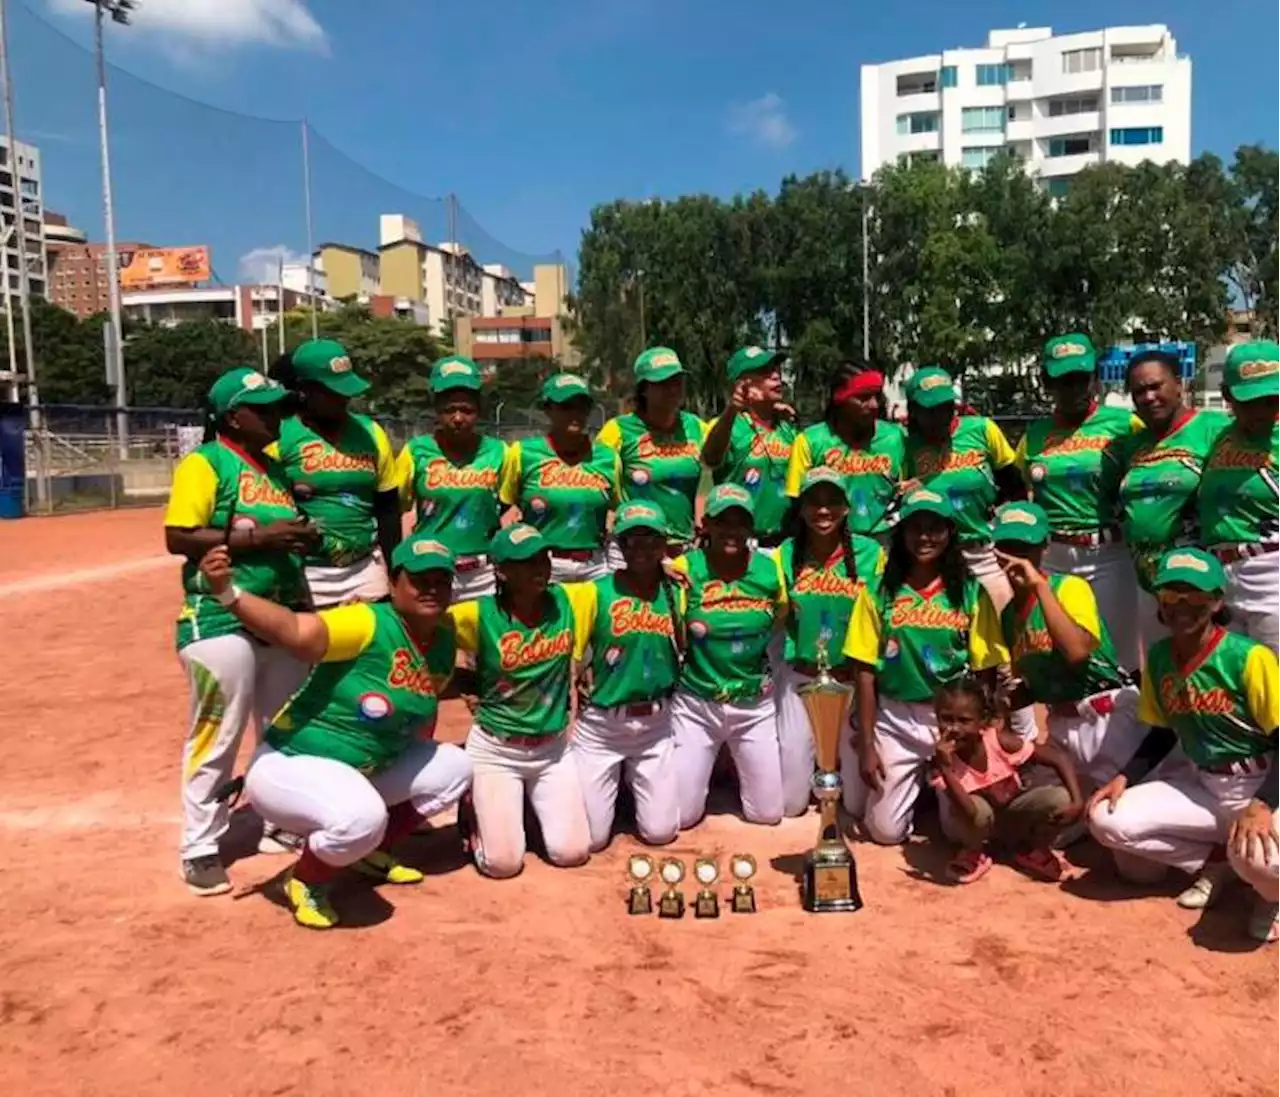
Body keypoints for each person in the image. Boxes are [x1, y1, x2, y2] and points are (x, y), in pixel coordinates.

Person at [196, 532, 474, 929]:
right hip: (293, 764)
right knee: (361, 818)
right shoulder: (366, 621)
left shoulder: (442, 637)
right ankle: (303, 879)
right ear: (393, 583)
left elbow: (426, 685)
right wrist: (227, 593)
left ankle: (365, 851)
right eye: (419, 579)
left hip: (362, 766)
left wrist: (488, 686)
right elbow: (294, 631)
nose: (431, 588)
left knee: (455, 767)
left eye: (441, 580)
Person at [163, 367, 317, 895]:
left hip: (277, 614)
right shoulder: (206, 463)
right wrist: (262, 539)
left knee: (284, 725)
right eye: (265, 407)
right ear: (233, 416)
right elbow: (178, 535)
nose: (276, 415)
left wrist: (298, 538)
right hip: (219, 614)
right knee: (219, 730)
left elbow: (279, 535)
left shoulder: (273, 470)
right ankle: (200, 845)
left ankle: (279, 819)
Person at [1088, 549, 1280, 944]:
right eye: (1170, 595)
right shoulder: (1159, 657)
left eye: (1194, 596)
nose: (1181, 606)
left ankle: (1270, 897)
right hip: (1203, 785)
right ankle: (1219, 863)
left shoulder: (1248, 657)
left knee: (1263, 864)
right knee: (1108, 822)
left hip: (1259, 784)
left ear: (1216, 601)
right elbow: (1163, 731)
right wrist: (1126, 776)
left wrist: (1262, 804)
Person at [841, 487, 1008, 845]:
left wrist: (983, 728)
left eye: (935, 527)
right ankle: (919, 789)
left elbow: (984, 667)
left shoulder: (968, 590)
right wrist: (868, 742)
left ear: (950, 533)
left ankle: (933, 792)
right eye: (915, 527)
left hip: (950, 722)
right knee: (885, 833)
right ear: (900, 533)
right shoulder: (878, 590)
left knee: (958, 832)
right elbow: (865, 671)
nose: (924, 537)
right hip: (896, 717)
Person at [452, 523, 593, 878]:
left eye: (542, 558)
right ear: (501, 570)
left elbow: (621, 585)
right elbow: (422, 626)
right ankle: (474, 811)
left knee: (572, 853)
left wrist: (668, 571)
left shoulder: (569, 599)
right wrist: (462, 682)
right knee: (503, 865)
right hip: (497, 750)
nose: (539, 568)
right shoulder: (479, 613)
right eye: (525, 562)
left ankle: (520, 809)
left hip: (553, 750)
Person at [990, 502, 1147, 794]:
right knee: (1036, 810)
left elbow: (1076, 653)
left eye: (1026, 547)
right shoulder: (1010, 614)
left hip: (1106, 720)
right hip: (1062, 727)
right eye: (1008, 546)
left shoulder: (1069, 588)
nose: (1016, 556)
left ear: (1045, 547)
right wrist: (1001, 710)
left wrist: (1039, 586)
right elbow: (1034, 683)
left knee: (1108, 819)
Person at [1016, 335, 1143, 670]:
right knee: (1062, 653)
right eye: (1061, 381)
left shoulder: (1125, 425)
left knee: (1118, 657)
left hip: (1109, 555)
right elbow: (1017, 494)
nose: (1072, 388)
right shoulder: (1034, 436)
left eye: (1079, 379)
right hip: (1054, 556)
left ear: (1095, 378)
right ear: (1046, 383)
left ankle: (1126, 722)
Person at [669, 484, 788, 829]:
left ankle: (729, 766)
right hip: (697, 703)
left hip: (753, 704)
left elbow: (780, 616)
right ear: (706, 525)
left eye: (740, 522)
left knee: (767, 815)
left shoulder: (770, 570)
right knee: (683, 817)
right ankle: (714, 766)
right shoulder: (685, 568)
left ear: (751, 527)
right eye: (723, 522)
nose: (731, 531)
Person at [570, 502, 683, 850]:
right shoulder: (594, 591)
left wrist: (672, 567)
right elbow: (572, 663)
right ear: (617, 544)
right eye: (630, 540)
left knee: (661, 833)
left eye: (650, 540)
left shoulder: (678, 589)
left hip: (656, 726)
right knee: (591, 839)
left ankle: (624, 793)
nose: (640, 549)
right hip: (602, 727)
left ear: (664, 544)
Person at [1104, 350, 1231, 656]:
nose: (1148, 397)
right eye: (1138, 392)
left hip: (1201, 584)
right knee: (1164, 676)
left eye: (1156, 386)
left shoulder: (1216, 429)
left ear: (1179, 384)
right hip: (1151, 586)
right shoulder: (1131, 444)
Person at [775, 467, 884, 817]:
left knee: (855, 805)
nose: (823, 511)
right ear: (801, 508)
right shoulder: (784, 553)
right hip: (801, 682)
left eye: (832, 502)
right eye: (814, 502)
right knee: (791, 805)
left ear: (847, 507)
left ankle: (836, 762)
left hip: (851, 683)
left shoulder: (871, 553)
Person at [271, 339, 401, 607]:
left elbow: (387, 509)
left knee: (372, 646)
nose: (343, 398)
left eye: (346, 390)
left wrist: (396, 572)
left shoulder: (371, 433)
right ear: (305, 390)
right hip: (306, 573)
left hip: (366, 570)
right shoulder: (278, 435)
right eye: (332, 392)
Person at [929, 676, 1084, 883]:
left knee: (1060, 799)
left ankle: (1031, 849)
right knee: (979, 810)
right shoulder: (941, 762)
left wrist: (1077, 800)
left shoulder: (998, 742)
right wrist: (946, 769)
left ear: (982, 721)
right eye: (946, 719)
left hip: (1010, 817)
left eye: (964, 720)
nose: (955, 728)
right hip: (972, 826)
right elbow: (969, 812)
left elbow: (1057, 757)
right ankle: (975, 852)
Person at [901, 367, 1024, 611]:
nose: (942, 415)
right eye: (931, 409)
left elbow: (1015, 487)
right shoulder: (905, 445)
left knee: (1001, 631)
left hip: (984, 555)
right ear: (914, 410)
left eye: (947, 406)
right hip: (931, 559)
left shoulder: (982, 430)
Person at [397, 356, 508, 602]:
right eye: (449, 410)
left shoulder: (501, 453)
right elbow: (401, 512)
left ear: (479, 409)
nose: (458, 418)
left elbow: (511, 509)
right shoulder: (415, 452)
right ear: (436, 408)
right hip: (430, 573)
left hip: (484, 576)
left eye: (466, 410)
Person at [1198, 341, 1280, 656]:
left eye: (1269, 399)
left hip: (1271, 572)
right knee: (1233, 685)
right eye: (1249, 401)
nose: (1261, 411)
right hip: (1221, 576)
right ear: (1228, 396)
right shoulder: (1221, 436)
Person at [498, 372, 619, 583]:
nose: (576, 413)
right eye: (566, 406)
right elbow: (505, 506)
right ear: (547, 409)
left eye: (582, 406)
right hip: (542, 566)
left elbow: (617, 509)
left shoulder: (608, 457)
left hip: (596, 566)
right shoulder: (522, 453)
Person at [598, 347, 708, 563]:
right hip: (635, 551)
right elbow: (594, 480)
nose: (672, 389)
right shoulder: (617, 431)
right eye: (662, 383)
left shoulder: (696, 427)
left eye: (677, 381)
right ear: (644, 389)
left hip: (685, 549)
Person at [785, 363, 905, 540]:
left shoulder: (896, 437)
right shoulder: (810, 441)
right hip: (831, 546)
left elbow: (908, 490)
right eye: (863, 398)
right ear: (839, 399)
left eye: (876, 396)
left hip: (887, 542)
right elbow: (797, 503)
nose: (873, 405)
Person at [701, 345, 797, 552]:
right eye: (765, 372)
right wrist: (731, 410)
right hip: (743, 544)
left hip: (787, 541)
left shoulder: (787, 427)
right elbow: (710, 459)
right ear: (743, 385)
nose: (776, 376)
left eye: (776, 370)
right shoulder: (728, 425)